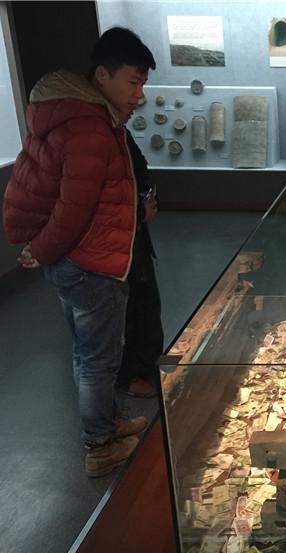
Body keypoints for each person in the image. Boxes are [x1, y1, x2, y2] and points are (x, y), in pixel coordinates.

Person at [3, 28, 156, 477]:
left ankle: (106, 423)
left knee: (92, 352)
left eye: (143, 83)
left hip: (84, 259)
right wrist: (40, 250)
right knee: (97, 358)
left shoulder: (84, 117)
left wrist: (44, 251)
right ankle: (100, 444)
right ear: (102, 75)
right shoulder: (89, 127)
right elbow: (73, 209)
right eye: (133, 82)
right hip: (90, 264)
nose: (139, 94)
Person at [116, 129, 163, 399]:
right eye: (133, 83)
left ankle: (146, 366)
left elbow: (139, 171)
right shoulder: (97, 134)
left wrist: (146, 199)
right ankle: (130, 374)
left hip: (135, 238)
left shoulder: (119, 131)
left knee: (146, 304)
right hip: (117, 245)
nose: (139, 95)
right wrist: (137, 212)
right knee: (128, 310)